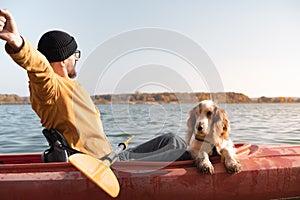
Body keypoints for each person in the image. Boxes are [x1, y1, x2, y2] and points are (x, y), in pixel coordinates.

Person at [0, 9, 190, 162]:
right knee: (186, 155)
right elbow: (37, 67)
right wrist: (18, 43)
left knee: (172, 139)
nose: (77, 58)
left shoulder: (72, 86)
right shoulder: (49, 87)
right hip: (98, 167)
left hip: (113, 157)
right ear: (64, 58)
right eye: (75, 54)